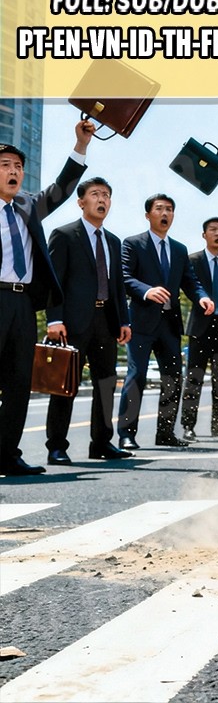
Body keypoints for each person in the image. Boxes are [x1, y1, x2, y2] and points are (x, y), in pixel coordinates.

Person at [0, 120, 94, 477]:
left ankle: (7, 454)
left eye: (18, 167)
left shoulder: (26, 205)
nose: (15, 172)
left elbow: (61, 189)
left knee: (19, 383)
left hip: (23, 305)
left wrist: (80, 145)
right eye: (6, 166)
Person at [44, 177, 134, 466]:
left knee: (106, 383)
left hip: (105, 321)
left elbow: (118, 285)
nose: (102, 200)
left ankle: (102, 443)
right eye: (96, 194)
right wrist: (55, 318)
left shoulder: (113, 241)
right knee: (65, 386)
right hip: (72, 322)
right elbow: (54, 282)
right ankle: (57, 446)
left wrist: (124, 320)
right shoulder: (64, 234)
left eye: (107, 195)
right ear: (81, 201)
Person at [117, 194, 213, 449]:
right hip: (141, 321)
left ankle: (166, 433)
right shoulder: (132, 244)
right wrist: (147, 291)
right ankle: (127, 434)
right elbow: (124, 277)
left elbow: (190, 282)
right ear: (148, 215)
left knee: (173, 378)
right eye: (159, 209)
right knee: (136, 376)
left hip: (169, 325)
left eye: (169, 209)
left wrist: (202, 298)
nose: (165, 213)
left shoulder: (179, 250)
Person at [180, 217, 218, 441]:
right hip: (200, 327)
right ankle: (188, 426)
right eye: (213, 230)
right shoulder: (192, 261)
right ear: (204, 235)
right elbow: (189, 289)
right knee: (194, 378)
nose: (217, 233)